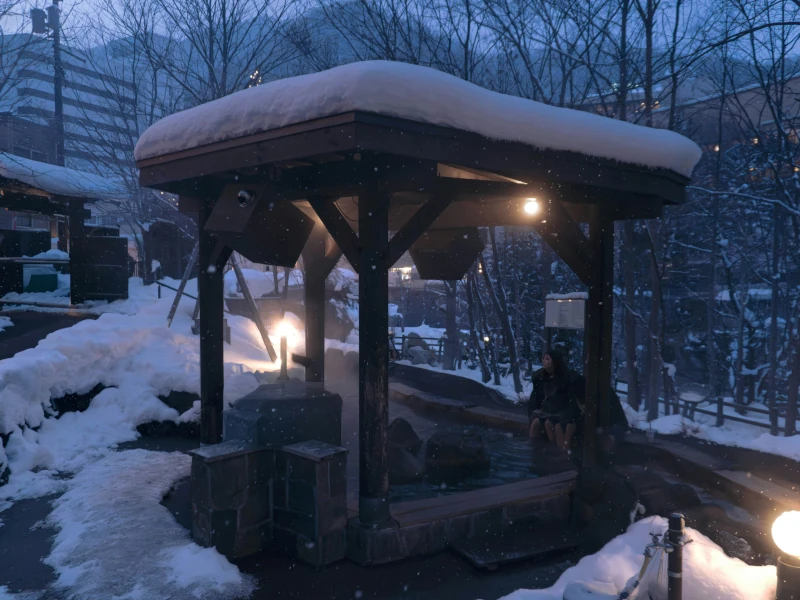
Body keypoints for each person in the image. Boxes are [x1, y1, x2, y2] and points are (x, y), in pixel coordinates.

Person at [527, 349, 580, 451]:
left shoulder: (565, 378)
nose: (544, 361)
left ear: (555, 362)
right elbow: (536, 397)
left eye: (547, 359)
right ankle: (533, 447)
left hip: (561, 411)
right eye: (543, 359)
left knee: (550, 424)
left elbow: (568, 400)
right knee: (536, 423)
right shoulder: (541, 376)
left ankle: (555, 450)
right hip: (548, 410)